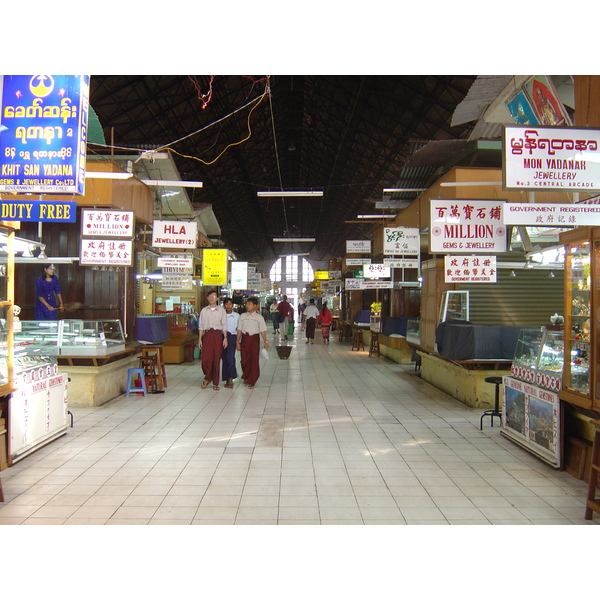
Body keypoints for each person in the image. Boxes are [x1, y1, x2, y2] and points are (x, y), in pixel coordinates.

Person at [236, 297, 269, 389]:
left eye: (249, 304)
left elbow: (262, 330)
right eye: (246, 304)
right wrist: (237, 342)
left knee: (253, 360)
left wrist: (265, 342)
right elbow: (239, 329)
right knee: (244, 360)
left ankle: (252, 380)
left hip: (254, 340)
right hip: (245, 339)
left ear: (254, 306)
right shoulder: (242, 316)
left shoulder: (259, 317)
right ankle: (246, 376)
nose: (247, 306)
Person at [198, 290, 228, 391]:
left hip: (217, 335)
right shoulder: (204, 311)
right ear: (207, 298)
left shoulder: (221, 311)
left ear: (217, 299)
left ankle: (215, 382)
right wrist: (200, 339)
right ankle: (208, 376)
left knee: (216, 359)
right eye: (210, 296)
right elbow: (201, 326)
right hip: (207, 335)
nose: (212, 298)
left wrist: (225, 338)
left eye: (214, 296)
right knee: (206, 359)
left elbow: (224, 325)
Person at [221, 298, 239, 388]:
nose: (228, 306)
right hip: (221, 338)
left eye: (230, 304)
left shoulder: (236, 316)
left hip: (232, 337)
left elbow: (239, 329)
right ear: (224, 305)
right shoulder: (221, 314)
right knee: (224, 359)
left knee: (230, 358)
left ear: (232, 305)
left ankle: (231, 378)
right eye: (226, 304)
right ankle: (226, 378)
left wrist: (238, 342)